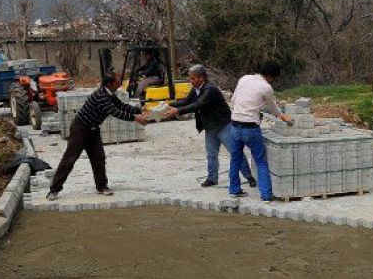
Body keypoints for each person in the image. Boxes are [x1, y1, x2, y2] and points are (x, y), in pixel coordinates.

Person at [46, 71, 148, 201]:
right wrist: (135, 118)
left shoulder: (109, 94)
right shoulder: (101, 96)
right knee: (70, 159)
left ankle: (102, 186)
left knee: (98, 158)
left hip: (93, 130)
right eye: (117, 83)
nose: (120, 85)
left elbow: (121, 106)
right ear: (110, 84)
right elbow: (115, 112)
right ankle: (54, 190)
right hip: (80, 129)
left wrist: (140, 110)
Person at [163, 64, 256, 188]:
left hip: (223, 125)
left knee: (235, 152)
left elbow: (198, 105)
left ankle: (248, 176)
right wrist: (170, 105)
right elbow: (187, 101)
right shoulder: (197, 88)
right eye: (190, 78)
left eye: (193, 78)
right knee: (211, 154)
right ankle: (212, 178)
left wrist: (177, 111)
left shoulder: (210, 89)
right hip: (210, 127)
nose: (191, 81)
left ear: (201, 77)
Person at [228, 61, 293, 200]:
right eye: (273, 78)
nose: (273, 80)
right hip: (250, 128)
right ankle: (266, 195)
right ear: (270, 76)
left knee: (235, 158)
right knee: (260, 161)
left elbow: (234, 100)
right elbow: (273, 108)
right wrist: (284, 117)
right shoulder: (266, 87)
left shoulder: (244, 78)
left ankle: (234, 189)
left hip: (234, 125)